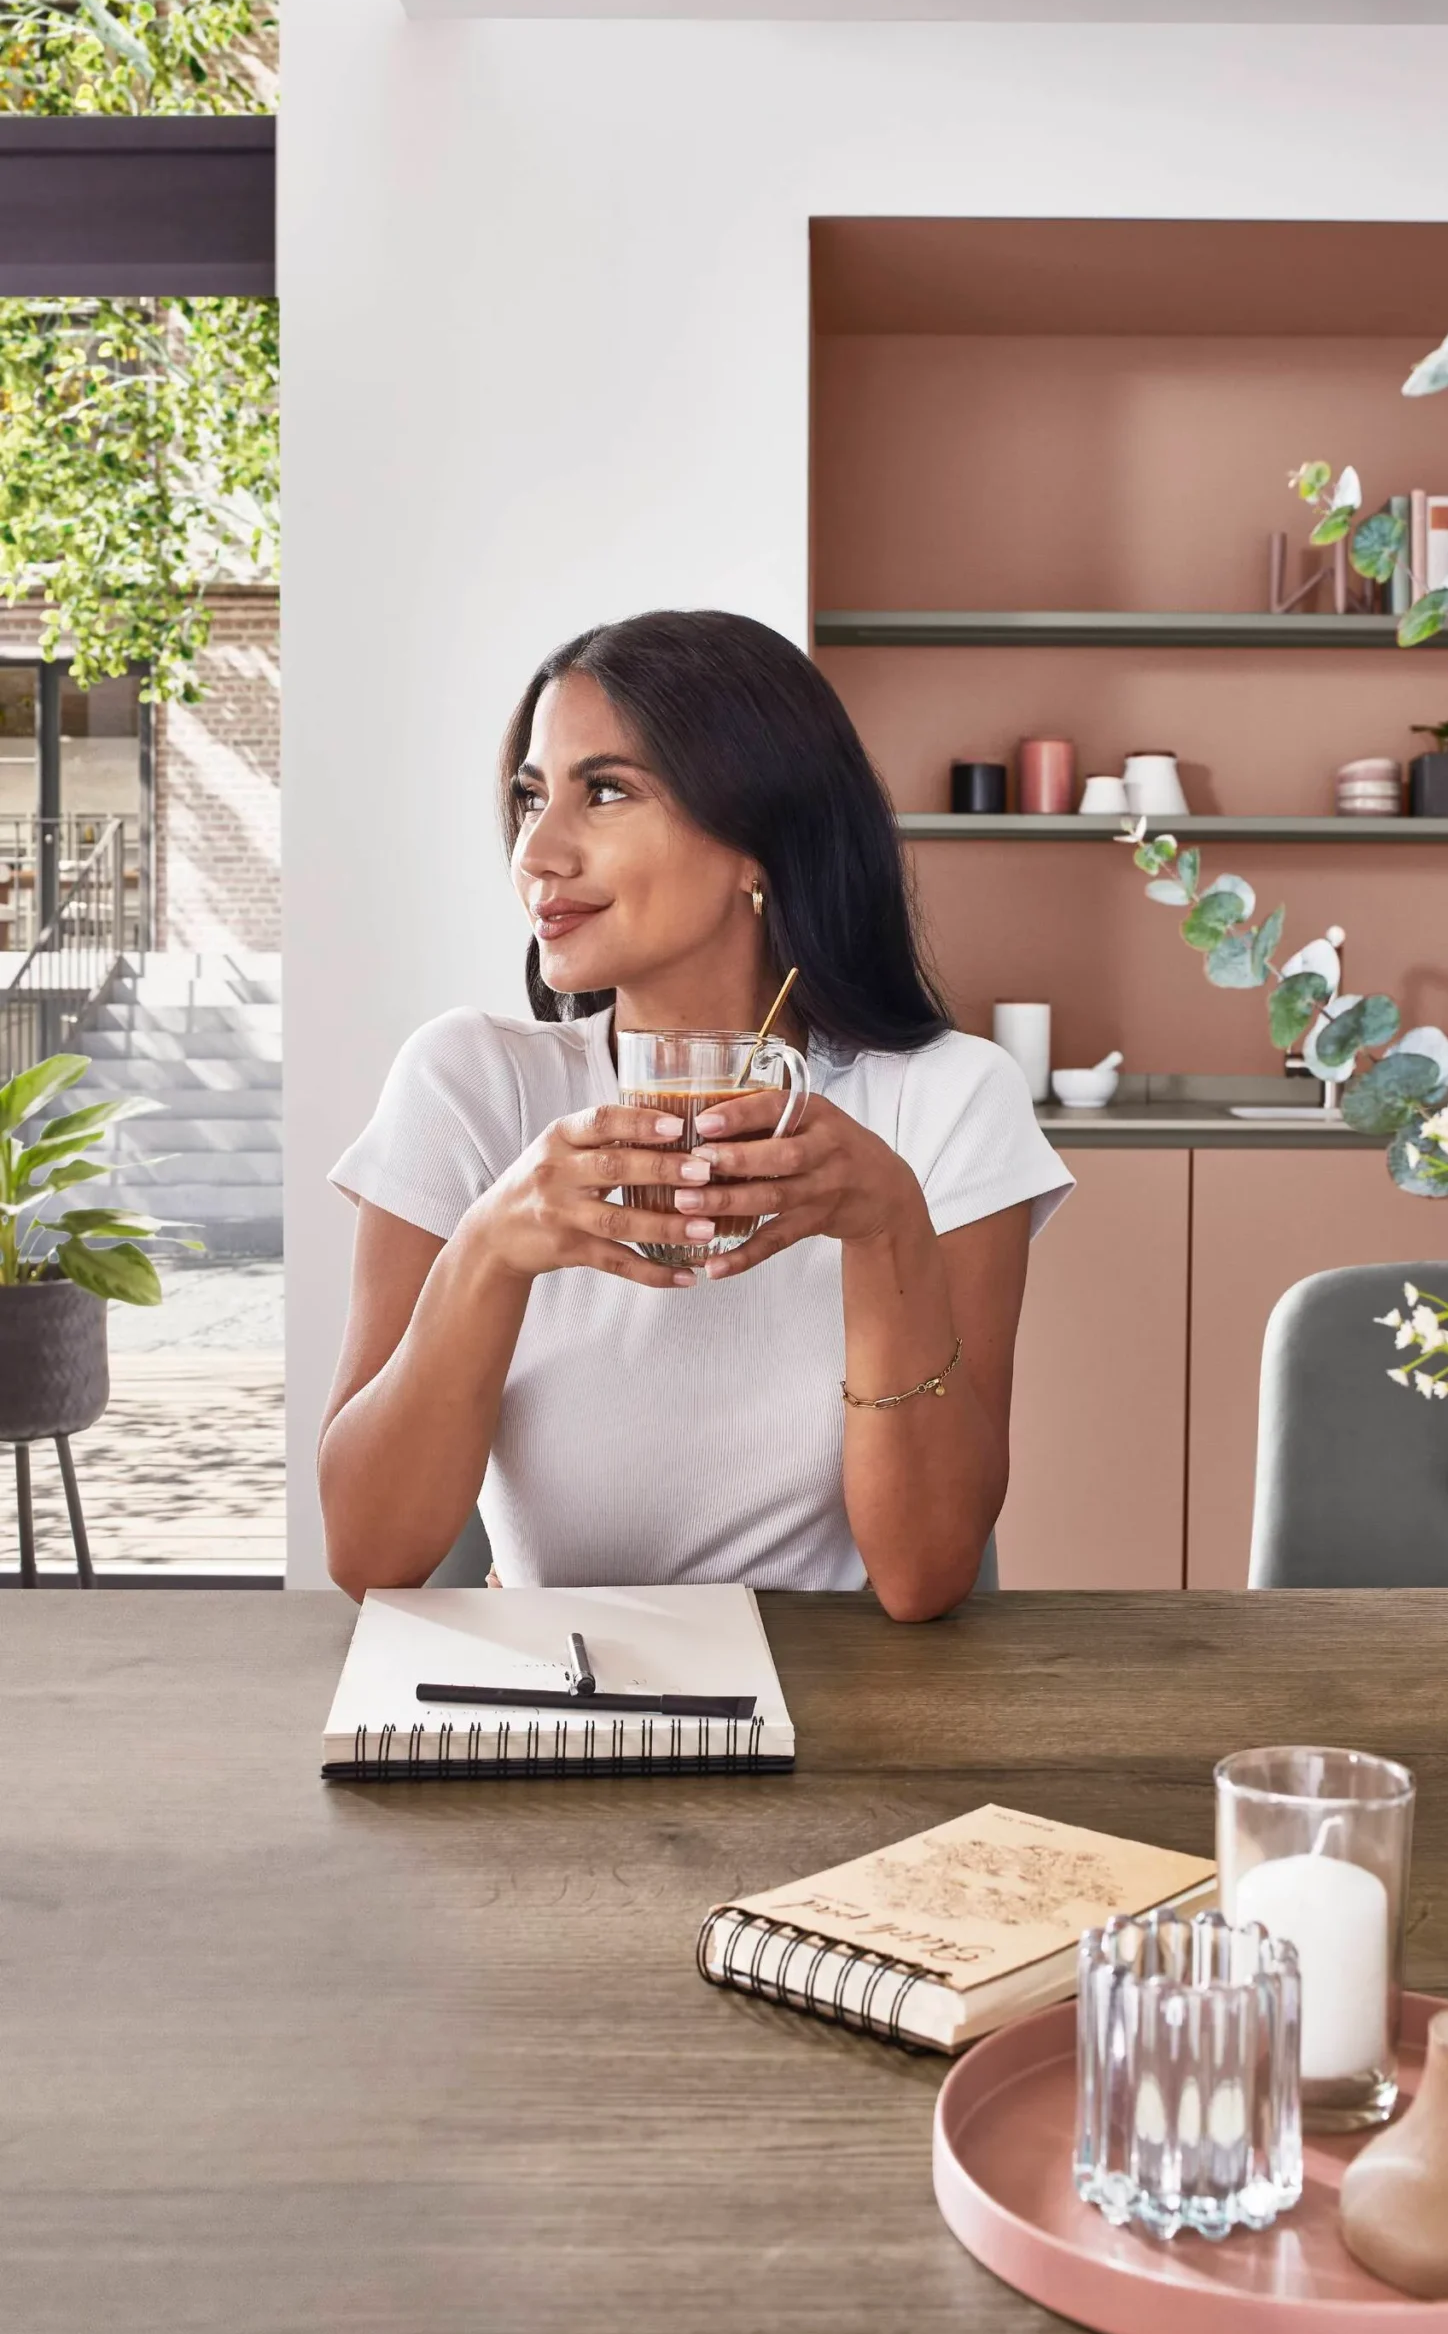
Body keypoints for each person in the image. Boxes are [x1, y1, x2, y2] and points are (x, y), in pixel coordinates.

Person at [320, 609, 1071, 1618]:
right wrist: (490, 1248)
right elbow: (369, 1555)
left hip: (841, 1724)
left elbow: (926, 1574)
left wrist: (887, 1224)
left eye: (607, 792)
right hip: (554, 1710)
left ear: (757, 840)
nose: (537, 853)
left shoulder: (943, 1099)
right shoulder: (470, 1084)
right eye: (530, 797)